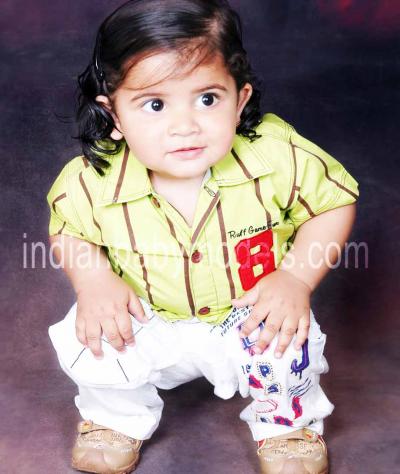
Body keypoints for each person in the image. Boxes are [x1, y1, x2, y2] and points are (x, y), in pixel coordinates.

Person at [46, 1, 359, 473]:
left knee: (287, 337)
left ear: (240, 98)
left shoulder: (275, 156)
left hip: (248, 314)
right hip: (147, 314)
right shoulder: (92, 179)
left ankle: (286, 425)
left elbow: (332, 202)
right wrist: (94, 281)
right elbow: (69, 230)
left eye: (208, 99)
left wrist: (296, 277)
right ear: (114, 115)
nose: (185, 126)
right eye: (155, 105)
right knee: (93, 329)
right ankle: (115, 417)